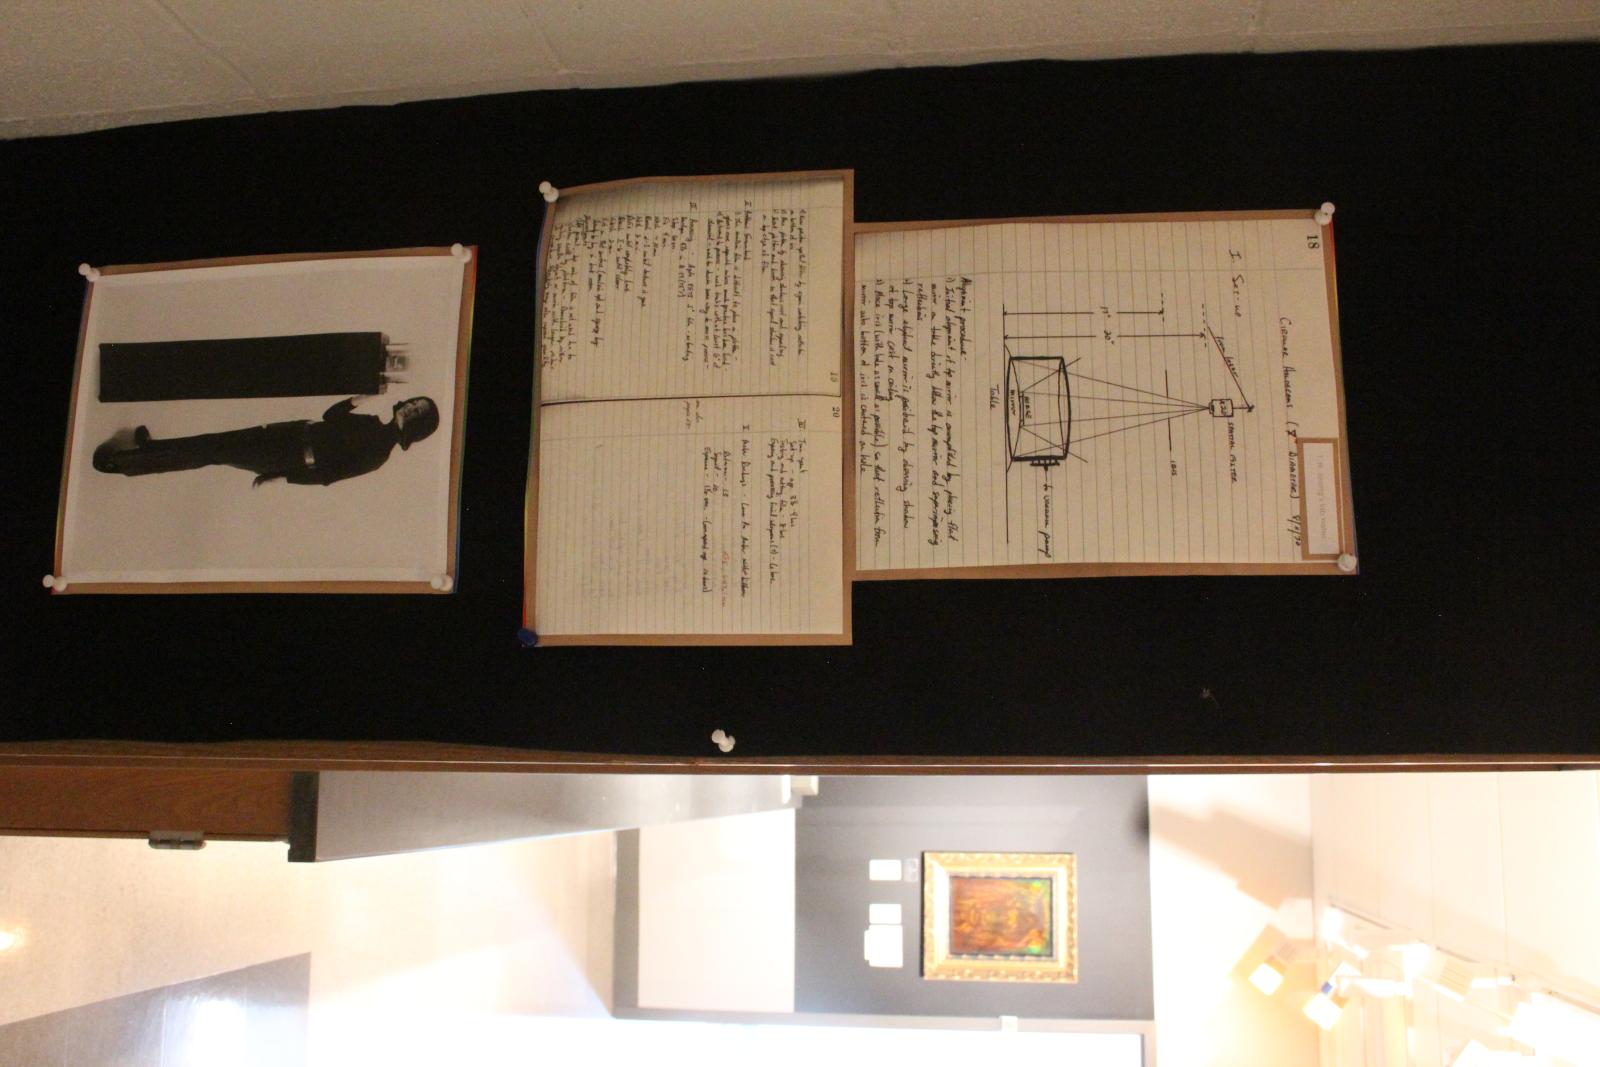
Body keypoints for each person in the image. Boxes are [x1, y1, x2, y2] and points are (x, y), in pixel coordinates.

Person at [92, 396, 440, 486]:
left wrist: (280, 476)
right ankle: (152, 450)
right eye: (415, 403)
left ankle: (122, 464)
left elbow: (327, 476)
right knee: (212, 443)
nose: (411, 407)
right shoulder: (372, 422)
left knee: (210, 452)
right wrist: (357, 399)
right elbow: (330, 416)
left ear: (415, 427)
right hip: (287, 433)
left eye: (417, 411)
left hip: (285, 455)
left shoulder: (378, 454)